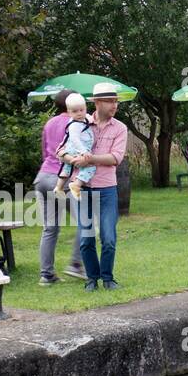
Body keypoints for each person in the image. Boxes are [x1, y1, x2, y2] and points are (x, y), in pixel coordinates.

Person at [68, 82, 128, 291]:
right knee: (86, 239)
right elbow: (62, 149)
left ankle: (108, 278)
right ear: (98, 103)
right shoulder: (79, 123)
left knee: (109, 238)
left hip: (107, 189)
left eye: (116, 102)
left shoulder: (120, 128)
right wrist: (70, 157)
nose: (115, 106)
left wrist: (90, 159)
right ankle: (91, 279)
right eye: (110, 101)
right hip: (83, 189)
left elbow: (115, 158)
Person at [35, 87, 85, 285]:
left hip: (43, 177)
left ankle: (46, 275)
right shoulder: (77, 122)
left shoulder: (49, 123)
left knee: (50, 229)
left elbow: (45, 152)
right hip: (64, 177)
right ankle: (76, 264)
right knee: (87, 222)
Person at [53, 93, 96, 198]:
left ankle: (59, 187)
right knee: (90, 167)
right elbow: (75, 139)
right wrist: (83, 152)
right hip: (77, 149)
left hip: (71, 149)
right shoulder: (74, 125)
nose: (79, 113)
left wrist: (91, 118)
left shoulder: (84, 118)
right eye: (75, 111)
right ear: (69, 112)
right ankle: (77, 184)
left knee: (67, 168)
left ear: (85, 108)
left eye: (82, 110)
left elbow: (89, 117)